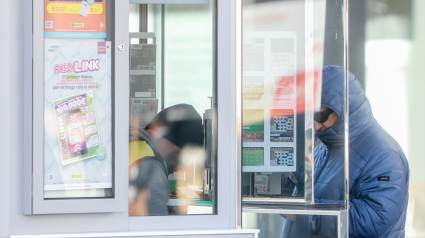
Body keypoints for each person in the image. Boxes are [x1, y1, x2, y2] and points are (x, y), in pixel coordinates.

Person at [288, 65, 409, 237]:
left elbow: (375, 220)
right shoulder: (324, 148)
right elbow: (295, 196)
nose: (315, 124)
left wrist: (303, 213)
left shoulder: (384, 154)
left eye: (320, 116)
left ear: (343, 109)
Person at [128, 104, 204, 216]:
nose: (178, 169)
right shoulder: (152, 167)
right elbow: (155, 230)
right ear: (178, 146)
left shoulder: (131, 145)